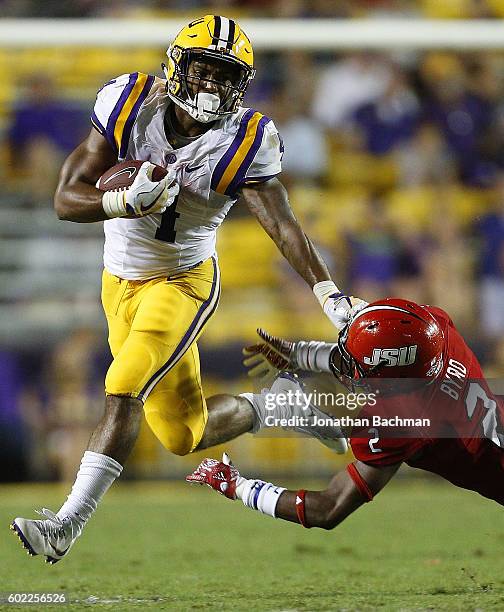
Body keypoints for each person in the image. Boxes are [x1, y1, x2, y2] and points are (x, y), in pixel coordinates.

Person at [11, 15, 361, 564]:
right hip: (118, 279)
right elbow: (65, 197)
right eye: (205, 69)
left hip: (183, 281)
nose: (213, 85)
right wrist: (122, 203)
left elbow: (283, 225)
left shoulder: (245, 138)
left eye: (227, 76)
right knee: (180, 432)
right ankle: (280, 406)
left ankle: (65, 525)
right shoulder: (128, 103)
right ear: (178, 66)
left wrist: (330, 295)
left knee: (123, 384)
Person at [188, 298, 504, 530]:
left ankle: (316, 419)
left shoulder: (401, 424)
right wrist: (300, 354)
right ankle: (317, 417)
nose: (345, 368)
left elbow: (327, 509)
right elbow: (384, 346)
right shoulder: (437, 332)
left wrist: (237, 486)